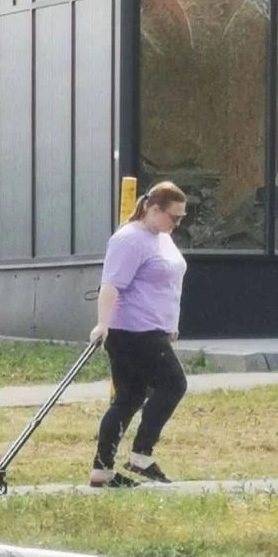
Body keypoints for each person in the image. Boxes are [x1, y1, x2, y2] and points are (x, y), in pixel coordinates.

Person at [88, 181, 188, 488]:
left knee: (129, 399)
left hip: (154, 329)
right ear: (153, 209)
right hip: (132, 331)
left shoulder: (161, 237)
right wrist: (102, 325)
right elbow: (111, 285)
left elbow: (166, 284)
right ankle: (141, 455)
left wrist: (170, 324)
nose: (178, 223)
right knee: (174, 384)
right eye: (175, 217)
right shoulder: (129, 239)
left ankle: (102, 470)